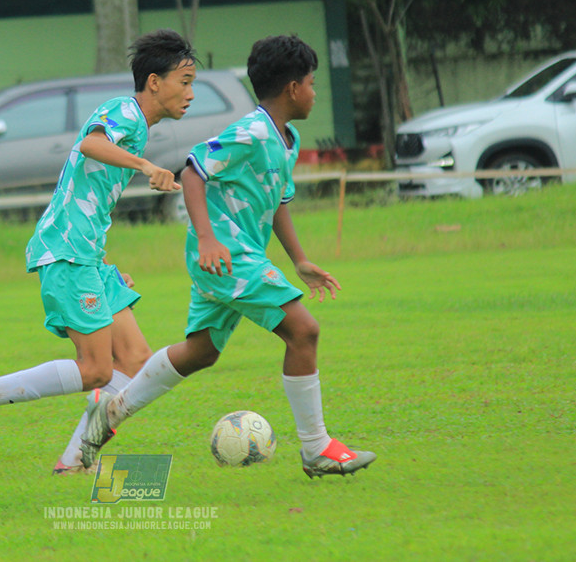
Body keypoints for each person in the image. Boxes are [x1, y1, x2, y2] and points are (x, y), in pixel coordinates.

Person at [78, 34, 377, 479]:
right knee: (304, 330)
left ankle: (111, 412)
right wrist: (207, 238)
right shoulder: (253, 130)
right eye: (312, 83)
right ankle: (316, 448)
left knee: (201, 352)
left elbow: (278, 200)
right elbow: (194, 170)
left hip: (233, 255)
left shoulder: (286, 138)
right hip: (223, 253)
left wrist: (299, 260)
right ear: (293, 88)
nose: (315, 93)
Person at [0, 29, 196, 472]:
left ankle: (75, 459)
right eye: (186, 80)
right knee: (97, 370)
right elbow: (90, 143)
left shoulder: (138, 124)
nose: (191, 93)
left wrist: (105, 267)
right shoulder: (126, 111)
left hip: (88, 256)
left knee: (136, 362)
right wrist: (146, 165)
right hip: (67, 251)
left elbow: (91, 191)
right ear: (154, 82)